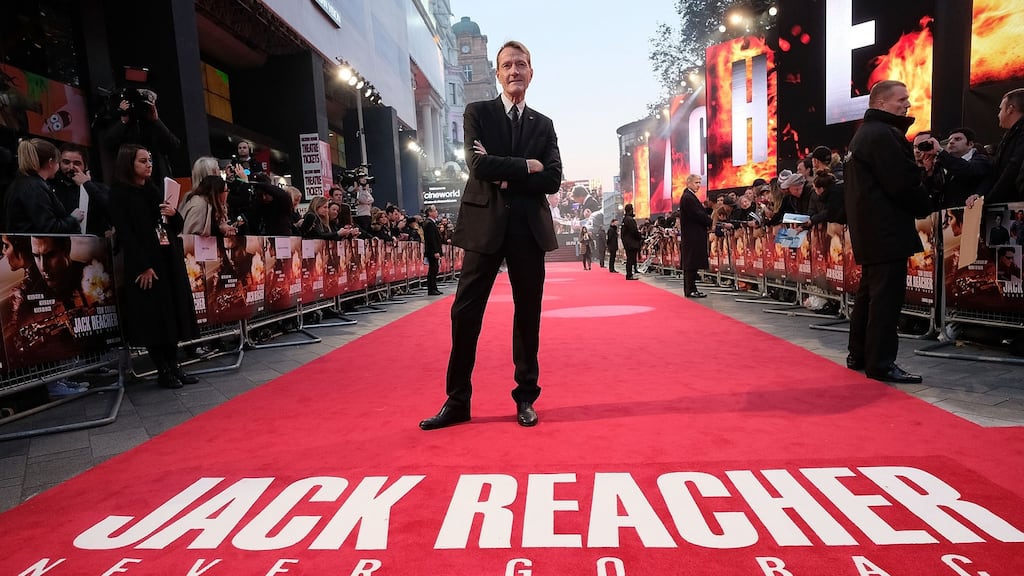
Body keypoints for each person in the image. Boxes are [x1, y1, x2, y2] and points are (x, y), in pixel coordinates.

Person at [420, 40, 562, 431]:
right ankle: (457, 400)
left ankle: (525, 397)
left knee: (527, 315)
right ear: (497, 74)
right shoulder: (477, 112)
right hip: (485, 226)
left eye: (521, 64)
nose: (514, 71)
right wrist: (526, 166)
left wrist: (509, 173)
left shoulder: (543, 124)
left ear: (531, 73)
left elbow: (553, 179)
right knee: (465, 313)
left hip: (528, 230)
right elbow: (478, 165)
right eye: (507, 65)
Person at [844, 80, 933, 384]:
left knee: (869, 296)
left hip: (871, 230)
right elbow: (902, 183)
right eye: (901, 100)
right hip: (886, 230)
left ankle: (858, 353)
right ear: (880, 103)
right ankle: (881, 363)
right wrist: (925, 201)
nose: (907, 104)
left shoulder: (863, 136)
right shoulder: (884, 136)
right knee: (884, 300)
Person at [108, 144, 199, 389]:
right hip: (145, 264)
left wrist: (173, 213)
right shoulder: (120, 193)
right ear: (129, 164)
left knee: (171, 316)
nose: (149, 164)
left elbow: (173, 225)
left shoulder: (153, 189)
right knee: (154, 319)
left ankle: (174, 366)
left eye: (149, 160)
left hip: (167, 259)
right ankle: (163, 369)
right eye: (142, 161)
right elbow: (126, 234)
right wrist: (144, 266)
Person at [3, 139, 84, 233]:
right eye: (58, 162)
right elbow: (48, 228)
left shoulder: (21, 183)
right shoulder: (34, 187)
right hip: (34, 246)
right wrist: (73, 219)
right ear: (50, 162)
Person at [971, 88, 1024, 206]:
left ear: (1010, 109)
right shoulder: (1008, 136)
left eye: (1000, 109)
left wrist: (988, 200)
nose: (998, 114)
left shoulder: (1020, 134)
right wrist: (979, 195)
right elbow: (994, 171)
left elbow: (1011, 170)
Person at [50, 143, 112, 236]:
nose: (71, 167)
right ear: (58, 163)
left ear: (85, 166)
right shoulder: (50, 186)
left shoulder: (98, 188)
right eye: (66, 162)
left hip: (92, 245)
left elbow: (112, 211)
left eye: (77, 163)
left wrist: (87, 185)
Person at [679, 174, 712, 297]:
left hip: (693, 234)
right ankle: (691, 289)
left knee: (691, 263)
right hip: (692, 235)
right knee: (691, 263)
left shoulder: (690, 196)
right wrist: (709, 221)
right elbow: (697, 214)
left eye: (699, 183)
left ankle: (691, 289)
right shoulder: (688, 197)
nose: (698, 185)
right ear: (689, 183)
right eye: (696, 183)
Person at [422, 204, 443, 295]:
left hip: (434, 250)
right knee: (433, 270)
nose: (436, 212)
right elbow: (431, 239)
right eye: (434, 210)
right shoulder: (429, 223)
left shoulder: (432, 223)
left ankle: (434, 288)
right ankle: (431, 289)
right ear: (430, 213)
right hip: (432, 251)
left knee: (435, 269)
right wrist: (435, 251)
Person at [620, 204, 642, 280]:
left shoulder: (625, 220)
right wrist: (640, 235)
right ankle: (629, 274)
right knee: (630, 259)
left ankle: (629, 273)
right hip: (631, 243)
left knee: (630, 259)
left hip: (627, 243)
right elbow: (634, 231)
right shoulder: (630, 220)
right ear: (631, 210)